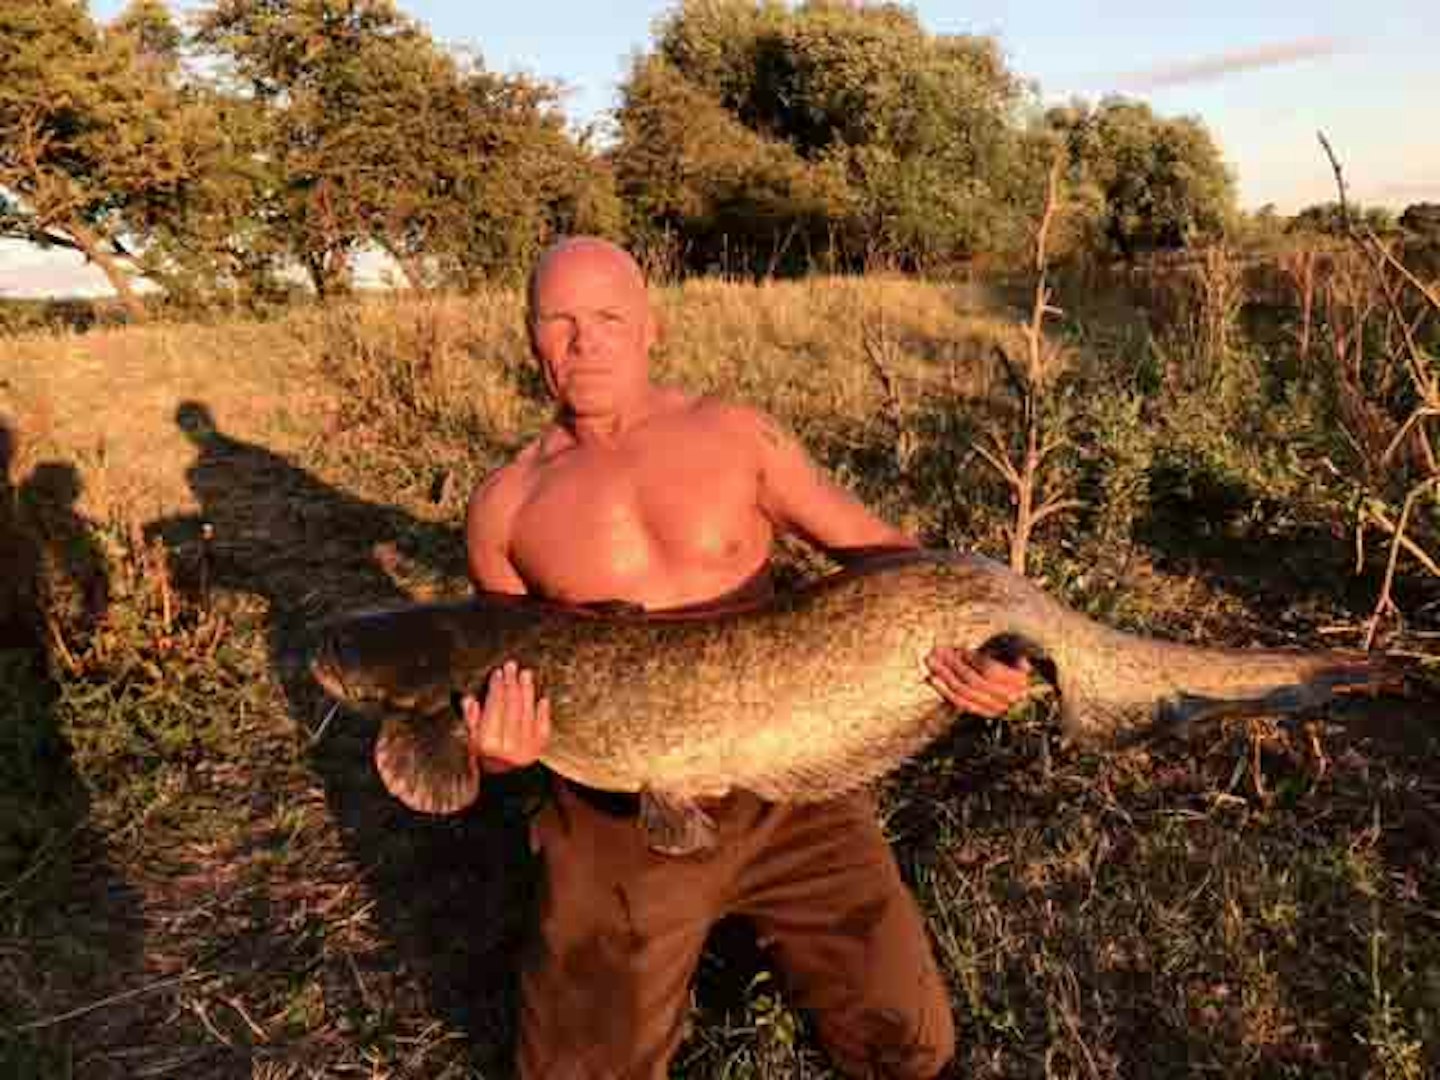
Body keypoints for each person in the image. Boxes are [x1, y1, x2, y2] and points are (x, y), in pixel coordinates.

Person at [457, 236, 1030, 1079]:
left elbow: (892, 560)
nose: (587, 342)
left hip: (790, 778)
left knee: (912, 1050)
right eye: (560, 320)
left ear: (652, 327)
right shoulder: (504, 509)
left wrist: (991, 649)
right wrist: (497, 754)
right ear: (530, 334)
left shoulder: (735, 436)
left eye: (610, 317)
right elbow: (500, 680)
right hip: (619, 806)